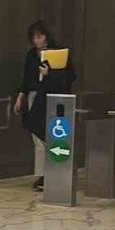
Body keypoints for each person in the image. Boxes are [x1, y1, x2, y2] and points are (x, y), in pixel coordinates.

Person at [13, 20, 76, 192]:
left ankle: (54, 171)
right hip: (34, 95)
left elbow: (69, 77)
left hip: (52, 97)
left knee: (54, 133)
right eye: (34, 37)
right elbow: (26, 78)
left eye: (39, 37)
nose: (36, 41)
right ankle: (42, 174)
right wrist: (21, 96)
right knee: (37, 136)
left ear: (46, 37)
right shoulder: (31, 55)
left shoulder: (58, 53)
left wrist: (50, 73)